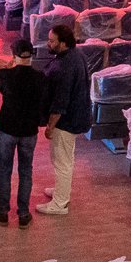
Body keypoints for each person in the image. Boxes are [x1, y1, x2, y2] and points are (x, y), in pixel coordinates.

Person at [0, 37, 47, 226]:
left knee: (4, 170)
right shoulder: (40, 77)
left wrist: (6, 66)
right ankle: (23, 213)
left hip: (7, 128)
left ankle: (3, 211)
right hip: (29, 130)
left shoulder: (4, 76)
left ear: (14, 55)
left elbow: (4, 84)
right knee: (25, 171)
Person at [37, 24, 91, 217]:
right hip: (76, 116)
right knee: (63, 159)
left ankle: (60, 203)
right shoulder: (76, 55)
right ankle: (61, 191)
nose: (48, 43)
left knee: (62, 161)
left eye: (52, 41)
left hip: (66, 121)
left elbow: (59, 103)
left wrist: (50, 126)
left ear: (63, 43)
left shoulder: (63, 67)